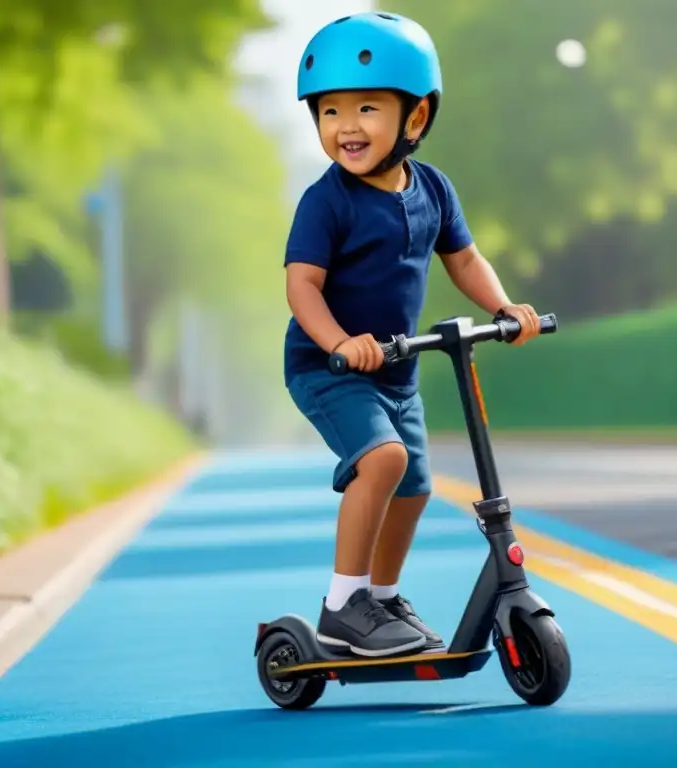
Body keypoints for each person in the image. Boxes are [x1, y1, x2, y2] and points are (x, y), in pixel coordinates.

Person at [283, 11, 542, 658]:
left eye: (367, 108)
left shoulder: (432, 188)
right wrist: (340, 343)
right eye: (330, 112)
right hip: (329, 368)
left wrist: (506, 307)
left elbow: (464, 260)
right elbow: (302, 287)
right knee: (384, 461)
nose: (346, 127)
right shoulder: (327, 202)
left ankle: (382, 596)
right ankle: (343, 603)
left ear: (416, 119)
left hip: (396, 371)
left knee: (416, 485)